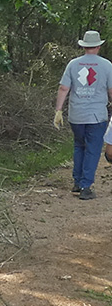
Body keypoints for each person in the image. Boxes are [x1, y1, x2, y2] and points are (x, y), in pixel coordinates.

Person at [53, 30, 112, 200]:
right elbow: (111, 91)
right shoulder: (107, 65)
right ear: (99, 46)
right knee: (93, 149)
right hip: (96, 116)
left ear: (83, 46)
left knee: (79, 145)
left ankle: (77, 183)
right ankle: (86, 186)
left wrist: (58, 110)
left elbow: (64, 88)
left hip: (76, 115)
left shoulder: (73, 64)